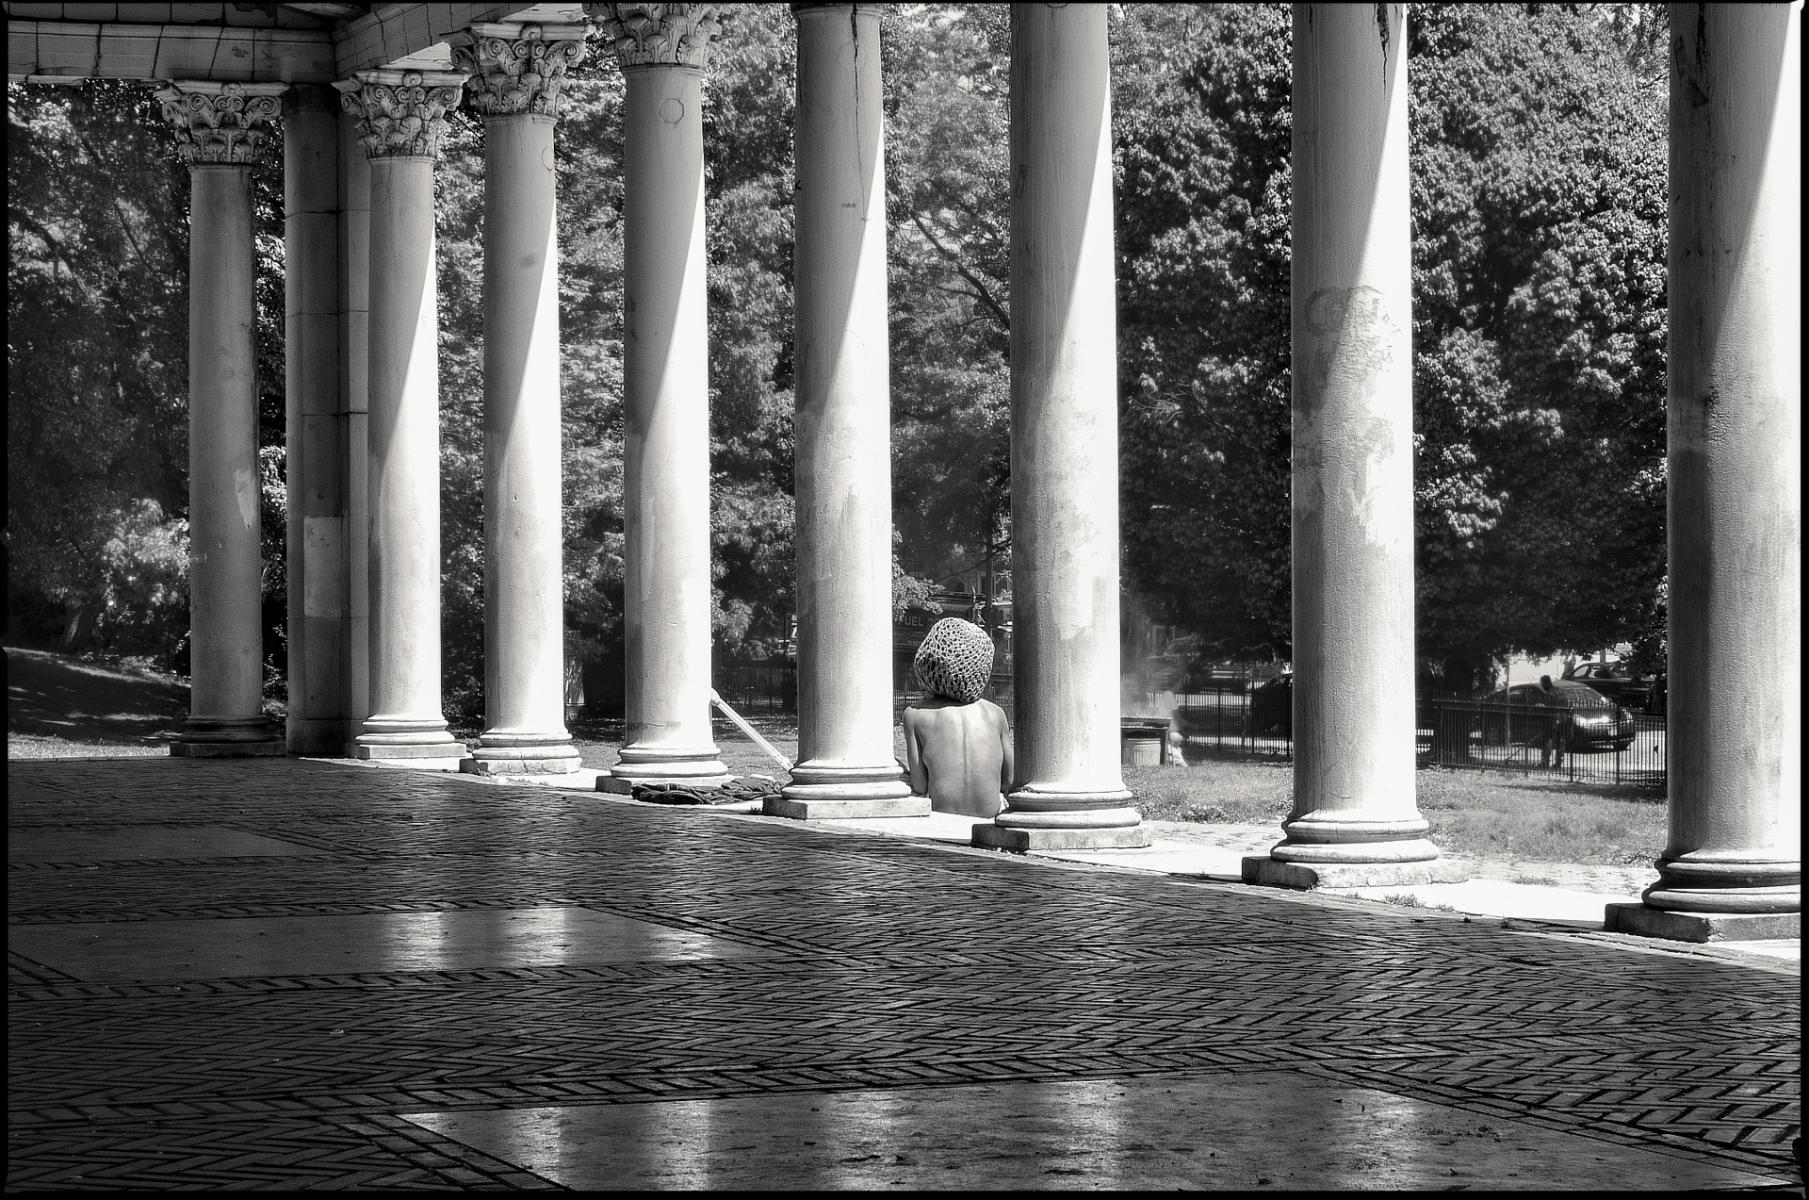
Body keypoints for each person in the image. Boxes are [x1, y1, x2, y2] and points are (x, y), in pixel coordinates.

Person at [901, 617, 1014, 818]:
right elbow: (1009, 780)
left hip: (941, 820)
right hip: (987, 821)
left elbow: (919, 785)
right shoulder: (996, 714)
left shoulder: (915, 715)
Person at [1535, 674, 1570, 769]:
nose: (1542, 686)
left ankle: (1545, 762)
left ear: (1546, 683)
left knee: (1547, 742)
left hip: (1552, 720)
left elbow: (1549, 709)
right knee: (1560, 742)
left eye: (1542, 683)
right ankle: (1558, 763)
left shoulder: (1549, 694)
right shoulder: (1560, 691)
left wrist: (1541, 706)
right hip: (1563, 720)